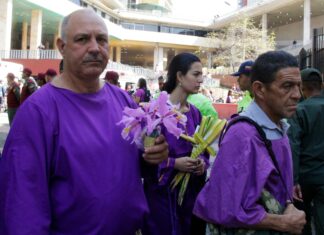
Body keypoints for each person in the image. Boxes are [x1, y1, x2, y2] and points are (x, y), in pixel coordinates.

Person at [0, 9, 168, 235]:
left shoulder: (123, 100)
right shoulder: (37, 112)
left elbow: (135, 163)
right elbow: (22, 206)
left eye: (101, 40)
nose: (95, 48)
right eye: (82, 39)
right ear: (61, 46)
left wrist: (153, 155)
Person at [194, 51, 306, 234]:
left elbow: (276, 185)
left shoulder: (280, 126)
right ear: (260, 89)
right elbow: (223, 205)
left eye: (298, 86)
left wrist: (288, 204)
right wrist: (281, 223)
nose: (297, 94)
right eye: (287, 86)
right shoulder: (242, 135)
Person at [143, 53, 209, 235]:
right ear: (180, 76)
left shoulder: (195, 113)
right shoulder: (156, 112)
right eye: (196, 74)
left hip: (188, 195)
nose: (201, 80)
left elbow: (202, 147)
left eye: (201, 75)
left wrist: (201, 162)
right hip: (162, 196)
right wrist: (174, 163)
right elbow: (146, 156)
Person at [288, 68, 324, 235]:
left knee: (303, 223)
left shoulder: (299, 110)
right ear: (321, 85)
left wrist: (294, 179)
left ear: (302, 88)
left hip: (305, 176)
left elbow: (293, 145)